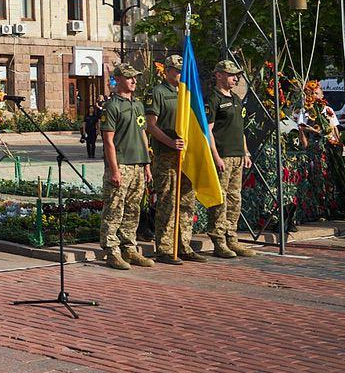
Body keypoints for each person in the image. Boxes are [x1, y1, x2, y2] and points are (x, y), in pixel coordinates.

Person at [146, 55, 205, 264]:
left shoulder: (188, 93)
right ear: (168, 71)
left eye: (183, 70)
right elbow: (151, 125)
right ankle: (164, 248)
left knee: (187, 201)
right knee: (168, 201)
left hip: (187, 154)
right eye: (178, 70)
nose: (181, 74)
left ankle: (184, 245)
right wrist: (171, 143)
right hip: (166, 155)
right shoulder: (158, 93)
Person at [99, 65, 154, 270]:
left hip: (138, 164)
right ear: (119, 79)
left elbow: (142, 133)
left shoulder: (138, 105)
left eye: (135, 78)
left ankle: (129, 248)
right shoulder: (112, 106)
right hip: (121, 164)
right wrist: (114, 170)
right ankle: (112, 251)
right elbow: (108, 141)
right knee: (114, 210)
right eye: (130, 77)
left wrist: (146, 163)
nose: (134, 81)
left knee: (133, 209)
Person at [203, 61, 255, 259]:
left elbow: (240, 129)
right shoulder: (213, 99)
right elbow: (208, 131)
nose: (235, 78)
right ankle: (219, 240)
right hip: (222, 156)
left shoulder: (236, 98)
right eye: (231, 74)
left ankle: (232, 237)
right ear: (219, 75)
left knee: (235, 198)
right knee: (220, 199)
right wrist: (216, 156)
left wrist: (246, 152)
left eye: (236, 75)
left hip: (237, 156)